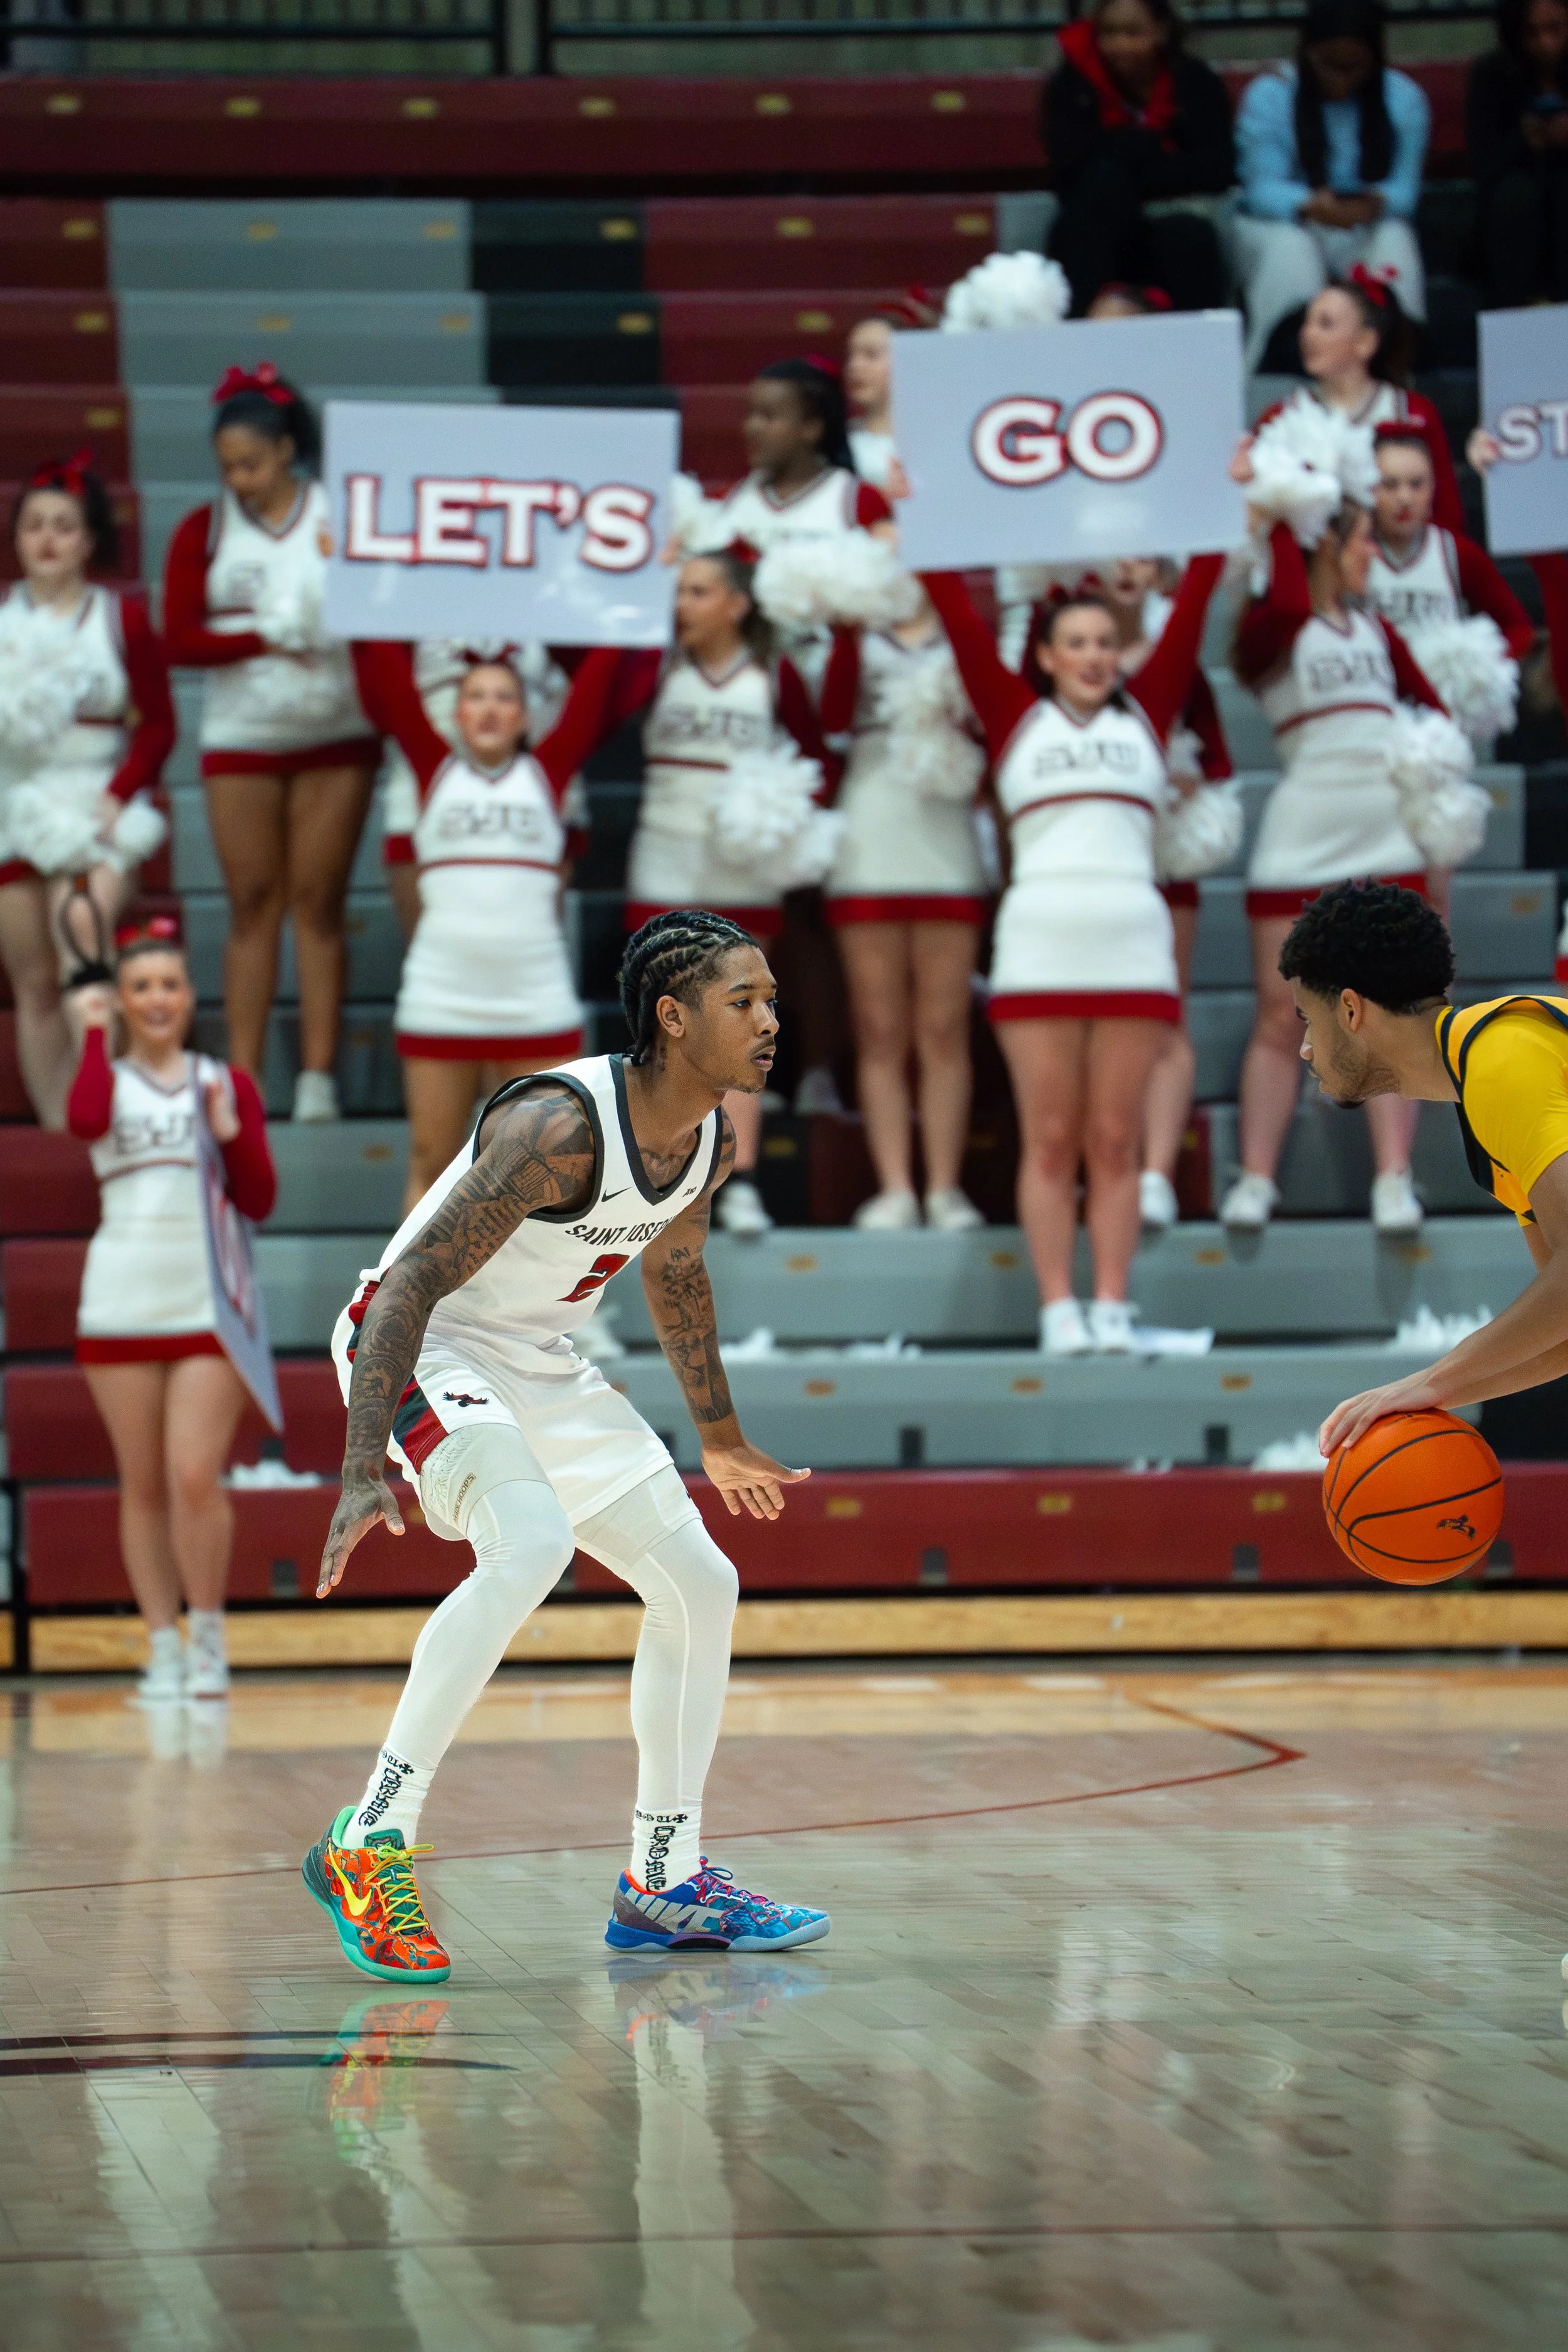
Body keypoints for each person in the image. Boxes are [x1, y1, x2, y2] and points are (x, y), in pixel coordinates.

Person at [302, 909, 829, 1983]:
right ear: (673, 1018)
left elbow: (676, 1270)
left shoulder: (711, 1135)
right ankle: (368, 1839)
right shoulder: (559, 1127)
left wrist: (720, 1439)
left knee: (701, 1579)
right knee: (531, 1544)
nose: (772, 1020)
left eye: (773, 999)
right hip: (420, 1341)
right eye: (747, 1002)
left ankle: (664, 1880)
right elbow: (406, 1286)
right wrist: (363, 1466)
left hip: (533, 1358)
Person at [921, 552, 1226, 1353]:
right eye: (1076, 643)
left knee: (1115, 1139)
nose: (1093, 656)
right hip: (1039, 950)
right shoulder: (1013, 716)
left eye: (1104, 643)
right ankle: (1059, 1305)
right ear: (1047, 656)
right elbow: (954, 615)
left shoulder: (1150, 713)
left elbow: (1193, 606)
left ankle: (1114, 1303)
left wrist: (1225, 521)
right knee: (1051, 1137)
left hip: (1133, 946)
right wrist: (912, 514)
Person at [1224, 428, 1457, 1236]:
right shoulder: (1273, 630)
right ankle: (1256, 1177)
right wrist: (1290, 513)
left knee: (1390, 1012)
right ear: (1326, 542)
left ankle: (1393, 1179)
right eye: (1359, 540)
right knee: (1277, 1013)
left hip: (1388, 837)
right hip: (1302, 834)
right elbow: (1290, 598)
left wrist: (1438, 822)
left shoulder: (1378, 633)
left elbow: (1436, 711)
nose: (1371, 555)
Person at [1286, 888, 1568, 1482]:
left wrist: (1431, 1381)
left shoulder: (1503, 1061)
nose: (1307, 1049)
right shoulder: (1487, 1085)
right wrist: (1423, 1396)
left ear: (1351, 1010)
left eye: (1309, 1020)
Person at [162, 364, 379, 1123]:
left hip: (337, 732)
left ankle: (318, 1077)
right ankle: (244, 1077)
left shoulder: (340, 516)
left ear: (287, 449)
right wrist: (265, 637)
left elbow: (378, 603)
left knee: (319, 905)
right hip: (244, 735)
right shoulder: (206, 528)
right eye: (227, 467)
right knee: (252, 904)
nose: (238, 479)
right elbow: (179, 636)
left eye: (250, 463)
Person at [68, 925, 276, 1703]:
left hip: (206, 1303)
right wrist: (93, 1034)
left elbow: (260, 1199)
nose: (157, 998)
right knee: (143, 1482)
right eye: (142, 987)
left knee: (194, 1474)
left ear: (191, 999)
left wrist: (229, 1138)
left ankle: (209, 1641)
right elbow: (86, 1120)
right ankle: (160, 1645)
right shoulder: (105, 1077)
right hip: (120, 1299)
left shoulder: (224, 1083)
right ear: (123, 1000)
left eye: (170, 985)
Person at [349, 642, 625, 1214]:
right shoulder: (432, 769)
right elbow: (389, 678)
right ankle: (407, 1303)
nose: (491, 709)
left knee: (548, 1173)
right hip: (441, 994)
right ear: (455, 714)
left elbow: (598, 684)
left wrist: (634, 592)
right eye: (476, 697)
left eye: (505, 697)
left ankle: (558, 1307)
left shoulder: (549, 772)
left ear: (526, 715)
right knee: (432, 1162)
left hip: (536, 998)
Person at [610, 548, 836, 1238]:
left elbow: (815, 762)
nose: (683, 604)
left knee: (741, 1030)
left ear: (738, 603)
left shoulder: (773, 675)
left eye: (699, 591)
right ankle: (658, 1176)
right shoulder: (658, 666)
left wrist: (778, 819)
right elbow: (610, 711)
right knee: (664, 1034)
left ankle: (736, 1183)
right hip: (663, 867)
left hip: (742, 876)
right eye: (677, 591)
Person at [0, 455, 173, 1129]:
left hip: (97, 808)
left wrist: (121, 792)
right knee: (34, 983)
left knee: (84, 956)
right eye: (35, 525)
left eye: (64, 527)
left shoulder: (120, 618)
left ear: (89, 540)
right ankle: (58, 1131)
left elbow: (160, 723)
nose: (48, 539)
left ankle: (112, 1121)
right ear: (17, 538)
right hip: (15, 809)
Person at [817, 589, 989, 1231]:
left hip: (944, 834)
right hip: (869, 833)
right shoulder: (853, 622)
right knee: (879, 1028)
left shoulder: (966, 622)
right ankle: (895, 1188)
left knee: (944, 1028)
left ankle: (945, 1188)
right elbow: (831, 713)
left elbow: (988, 713)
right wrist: (843, 628)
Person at [1096, 557, 1237, 1231]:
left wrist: (1189, 785)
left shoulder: (1174, 655)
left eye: (1144, 558)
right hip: (1084, 863)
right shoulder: (1064, 645)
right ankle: (1101, 1167)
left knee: (1163, 1012)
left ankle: (1154, 1174)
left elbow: (1216, 756)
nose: (1127, 568)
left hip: (1159, 856)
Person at [1233, 0, 1430, 373]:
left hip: (1364, 218)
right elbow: (1259, 189)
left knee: (1396, 240)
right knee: (1290, 255)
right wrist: (1309, 204)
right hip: (1285, 221)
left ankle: (1400, 368)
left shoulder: (1403, 99)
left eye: (1355, 68)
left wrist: (1375, 202)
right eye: (1329, 66)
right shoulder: (1271, 94)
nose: (1341, 79)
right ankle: (1278, 371)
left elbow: (1406, 189)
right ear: (1308, 54)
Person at [1041, 0, 1234, 317]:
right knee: (1104, 187)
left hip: (1171, 217)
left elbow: (1216, 167)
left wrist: (1125, 161)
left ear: (1161, 31)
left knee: (1188, 238)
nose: (1119, 45)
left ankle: (1197, 353)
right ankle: (1078, 335)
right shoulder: (1070, 85)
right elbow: (1068, 170)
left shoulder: (1196, 81)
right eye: (1109, 33)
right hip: (1095, 228)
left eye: (1133, 33)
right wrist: (1154, 153)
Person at [1255, 275, 1464, 534]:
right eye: (1306, 323)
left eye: (1325, 324)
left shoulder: (1413, 414)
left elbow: (1448, 517)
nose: (1308, 334)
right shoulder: (1280, 416)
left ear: (1366, 342)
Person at [1468, 0, 1568, 310]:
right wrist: (1523, 142)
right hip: (1515, 200)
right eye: (1533, 33)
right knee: (1516, 198)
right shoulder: (1490, 75)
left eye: (1556, 29)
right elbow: (1483, 167)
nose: (1545, 44)